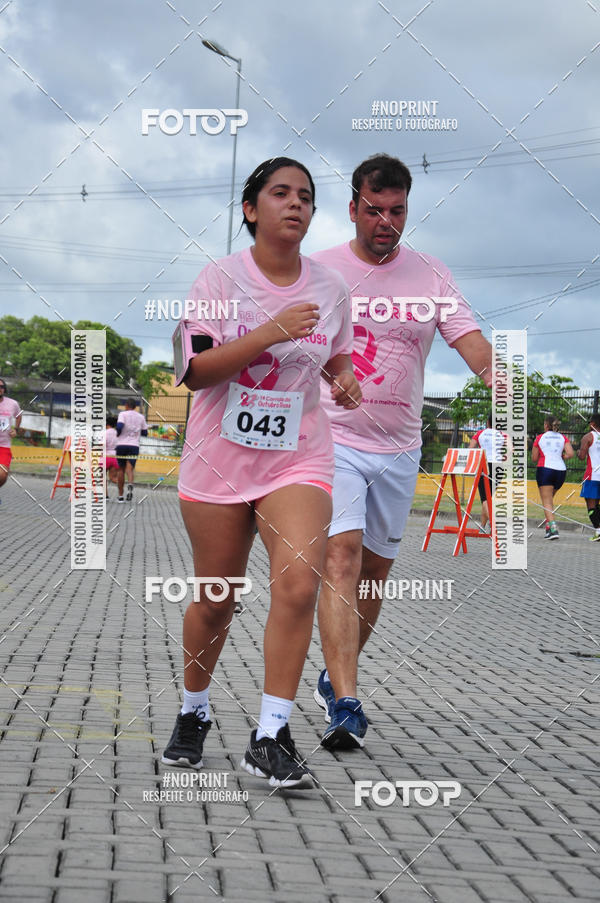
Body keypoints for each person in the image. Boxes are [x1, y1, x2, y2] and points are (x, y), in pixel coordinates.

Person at [161, 157, 361, 788]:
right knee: (216, 598)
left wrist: (345, 380)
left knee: (299, 583)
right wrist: (269, 331)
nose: (295, 203)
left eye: (305, 195)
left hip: (298, 456)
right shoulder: (219, 279)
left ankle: (270, 734)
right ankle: (194, 709)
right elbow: (195, 372)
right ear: (250, 209)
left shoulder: (331, 288)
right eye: (280, 193)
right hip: (219, 459)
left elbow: (336, 357)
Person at [310, 153, 493, 750]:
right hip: (332, 438)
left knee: (373, 574)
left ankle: (334, 674)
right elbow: (292, 343)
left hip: (398, 448)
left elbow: (471, 342)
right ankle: (347, 703)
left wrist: (500, 378)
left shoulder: (431, 275)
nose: (385, 222)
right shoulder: (322, 269)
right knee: (340, 557)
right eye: (374, 210)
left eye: (397, 211)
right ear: (352, 208)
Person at [531, 416, 574, 539]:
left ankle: (554, 530)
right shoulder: (563, 437)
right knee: (549, 501)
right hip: (561, 471)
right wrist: (561, 456)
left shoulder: (540, 437)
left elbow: (534, 458)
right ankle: (548, 529)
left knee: (547, 502)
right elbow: (570, 454)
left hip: (545, 469)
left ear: (546, 425)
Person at [469, 413, 507, 533]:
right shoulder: (502, 434)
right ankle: (482, 526)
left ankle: (493, 522)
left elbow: (470, 449)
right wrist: (505, 456)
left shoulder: (480, 433)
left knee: (485, 498)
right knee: (489, 497)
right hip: (499, 466)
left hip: (485, 465)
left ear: (487, 422)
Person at [115, 398, 148, 502]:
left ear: (126, 405)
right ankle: (130, 485)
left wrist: (118, 434)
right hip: (134, 446)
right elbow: (145, 433)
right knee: (129, 469)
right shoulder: (141, 417)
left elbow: (119, 426)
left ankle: (120, 496)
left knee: (121, 469)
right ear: (135, 407)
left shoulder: (122, 414)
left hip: (121, 444)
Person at [577, 413, 600, 541]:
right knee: (597, 505)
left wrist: (578, 452)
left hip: (592, 476)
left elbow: (581, 457)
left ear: (592, 424)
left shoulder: (588, 437)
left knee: (591, 505)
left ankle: (598, 530)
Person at [0, 379, 22, 497]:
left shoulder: (12, 404)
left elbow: (18, 415)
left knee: (3, 475)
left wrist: (16, 429)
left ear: (5, 389)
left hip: (3, 446)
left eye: (1, 386)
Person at [103, 416, 119, 498]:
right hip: (115, 457)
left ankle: (105, 496)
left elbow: (102, 445)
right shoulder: (117, 433)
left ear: (107, 424)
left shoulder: (105, 433)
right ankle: (125, 487)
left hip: (105, 457)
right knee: (113, 478)